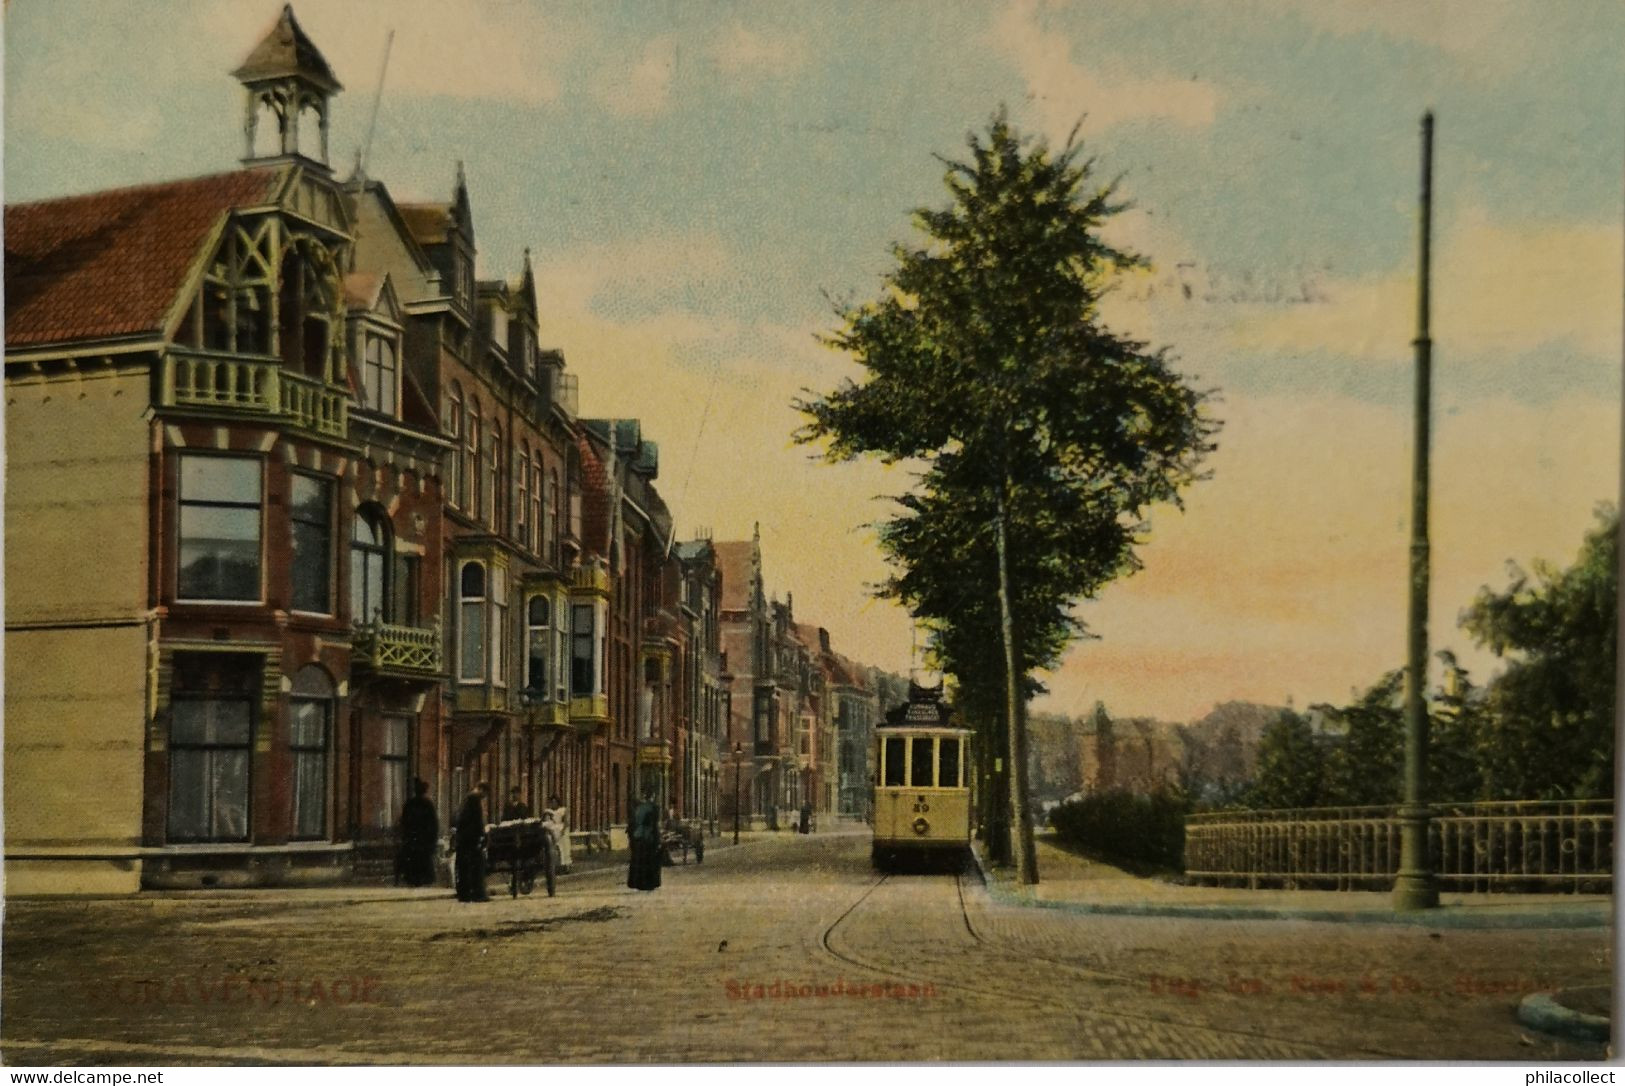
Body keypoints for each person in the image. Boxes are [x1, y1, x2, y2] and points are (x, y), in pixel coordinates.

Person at [396, 778, 438, 887]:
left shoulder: (410, 803)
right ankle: (422, 880)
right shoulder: (428, 805)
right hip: (423, 841)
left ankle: (414, 880)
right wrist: (432, 840)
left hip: (412, 840)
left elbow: (404, 821)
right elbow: (433, 824)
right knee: (423, 861)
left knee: (413, 862)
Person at [454, 781, 490, 903]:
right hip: (470, 839)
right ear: (482, 790)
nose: (484, 798)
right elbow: (478, 821)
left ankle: (464, 894)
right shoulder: (475, 799)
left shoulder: (467, 799)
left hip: (463, 838)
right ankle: (478, 894)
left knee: (463, 867)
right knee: (477, 865)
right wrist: (484, 835)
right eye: (485, 794)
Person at [627, 790, 662, 892]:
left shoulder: (637, 808)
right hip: (649, 838)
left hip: (637, 837)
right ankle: (649, 884)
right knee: (650, 861)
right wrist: (657, 839)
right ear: (653, 796)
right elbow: (653, 825)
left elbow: (633, 823)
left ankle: (637, 883)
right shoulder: (654, 808)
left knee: (638, 861)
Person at [545, 795, 572, 873]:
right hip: (553, 829)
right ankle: (556, 866)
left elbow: (566, 822)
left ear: (558, 803)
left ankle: (566, 865)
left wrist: (563, 831)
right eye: (551, 802)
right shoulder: (549, 811)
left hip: (562, 829)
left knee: (564, 847)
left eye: (554, 802)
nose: (553, 804)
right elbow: (547, 822)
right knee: (554, 847)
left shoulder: (563, 810)